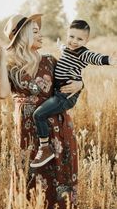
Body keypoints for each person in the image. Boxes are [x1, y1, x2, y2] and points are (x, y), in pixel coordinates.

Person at [0, 14, 82, 209]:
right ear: (21, 36)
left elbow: (70, 84)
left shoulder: (50, 61)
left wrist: (80, 82)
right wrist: (2, 61)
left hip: (57, 128)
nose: (41, 34)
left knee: (58, 175)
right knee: (29, 174)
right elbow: (2, 93)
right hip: (26, 131)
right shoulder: (11, 65)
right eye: (34, 31)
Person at [30, 19, 117, 168]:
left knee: (38, 115)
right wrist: (59, 45)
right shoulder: (68, 49)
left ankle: (45, 148)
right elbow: (64, 47)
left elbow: (95, 58)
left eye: (79, 39)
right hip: (59, 94)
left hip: (65, 96)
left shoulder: (83, 53)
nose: (74, 41)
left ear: (86, 40)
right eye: (71, 37)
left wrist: (110, 60)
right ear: (67, 35)